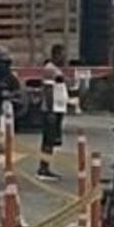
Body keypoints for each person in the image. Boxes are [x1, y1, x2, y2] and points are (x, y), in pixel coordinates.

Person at [39, 43, 70, 179]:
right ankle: (43, 169)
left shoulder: (56, 69)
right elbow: (48, 90)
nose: (64, 58)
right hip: (52, 110)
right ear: (56, 55)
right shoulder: (50, 69)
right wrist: (50, 110)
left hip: (58, 109)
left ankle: (46, 167)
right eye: (62, 54)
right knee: (48, 140)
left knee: (52, 141)